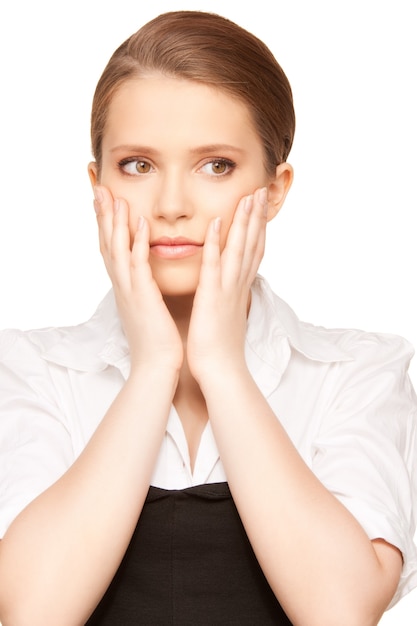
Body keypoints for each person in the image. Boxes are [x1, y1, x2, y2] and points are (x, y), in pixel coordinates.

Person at [0, 9, 416, 625]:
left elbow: (341, 613)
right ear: (97, 183)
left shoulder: (357, 372)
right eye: (137, 165)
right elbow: (32, 611)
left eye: (215, 165)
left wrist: (221, 365)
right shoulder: (30, 370)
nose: (171, 206)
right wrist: (154, 369)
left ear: (276, 189)